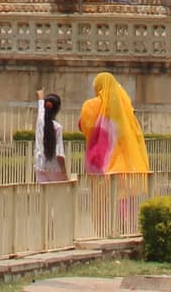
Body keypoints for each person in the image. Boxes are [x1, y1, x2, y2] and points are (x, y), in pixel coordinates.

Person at [77, 71, 149, 230]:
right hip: (127, 164)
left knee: (101, 199)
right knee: (125, 198)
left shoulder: (91, 105)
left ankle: (103, 229)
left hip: (101, 163)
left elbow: (83, 125)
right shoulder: (124, 104)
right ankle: (126, 229)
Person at [33, 92, 68, 185]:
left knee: (44, 197)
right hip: (54, 168)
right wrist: (64, 172)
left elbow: (41, 110)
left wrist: (40, 96)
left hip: (39, 166)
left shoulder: (40, 122)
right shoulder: (57, 127)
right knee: (58, 197)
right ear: (57, 109)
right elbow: (59, 154)